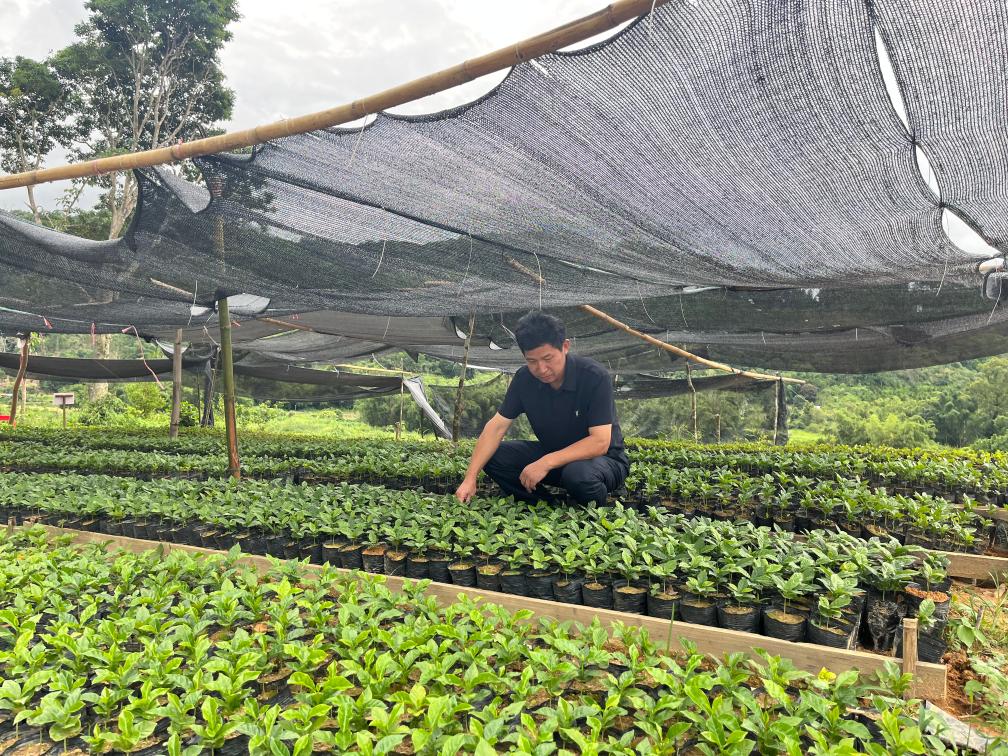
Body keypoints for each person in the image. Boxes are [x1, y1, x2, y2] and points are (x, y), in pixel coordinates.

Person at [454, 311, 629, 506]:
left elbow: (600, 442)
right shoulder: (524, 380)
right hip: (555, 456)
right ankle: (542, 505)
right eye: (532, 361)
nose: (541, 369)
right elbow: (496, 427)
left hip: (603, 461)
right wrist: (470, 477)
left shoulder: (594, 376)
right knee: (493, 455)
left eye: (548, 358)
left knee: (579, 475)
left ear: (565, 346)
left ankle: (591, 512)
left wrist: (546, 462)